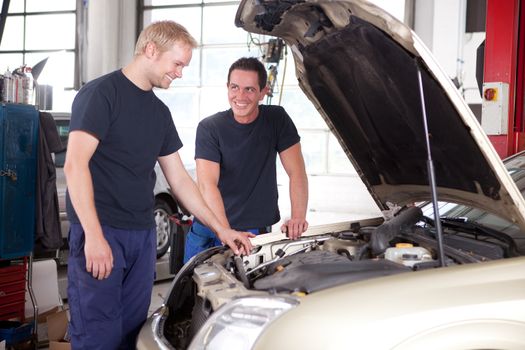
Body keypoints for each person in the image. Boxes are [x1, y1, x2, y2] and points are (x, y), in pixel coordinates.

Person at [64, 21, 253, 350]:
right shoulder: (100, 94)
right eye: (177, 63)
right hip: (102, 230)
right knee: (98, 335)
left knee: (134, 332)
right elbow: (75, 165)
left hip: (142, 235)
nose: (180, 73)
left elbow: (179, 180)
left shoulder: (159, 112)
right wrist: (93, 235)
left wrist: (222, 229)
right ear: (151, 50)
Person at [183, 57, 309, 262]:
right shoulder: (210, 127)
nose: (240, 96)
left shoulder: (276, 119)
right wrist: (224, 231)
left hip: (253, 231)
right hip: (209, 227)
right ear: (227, 88)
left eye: (249, 89)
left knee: (247, 291)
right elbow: (207, 185)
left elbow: (297, 172)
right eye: (234, 87)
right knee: (193, 291)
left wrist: (297, 217)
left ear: (263, 92)